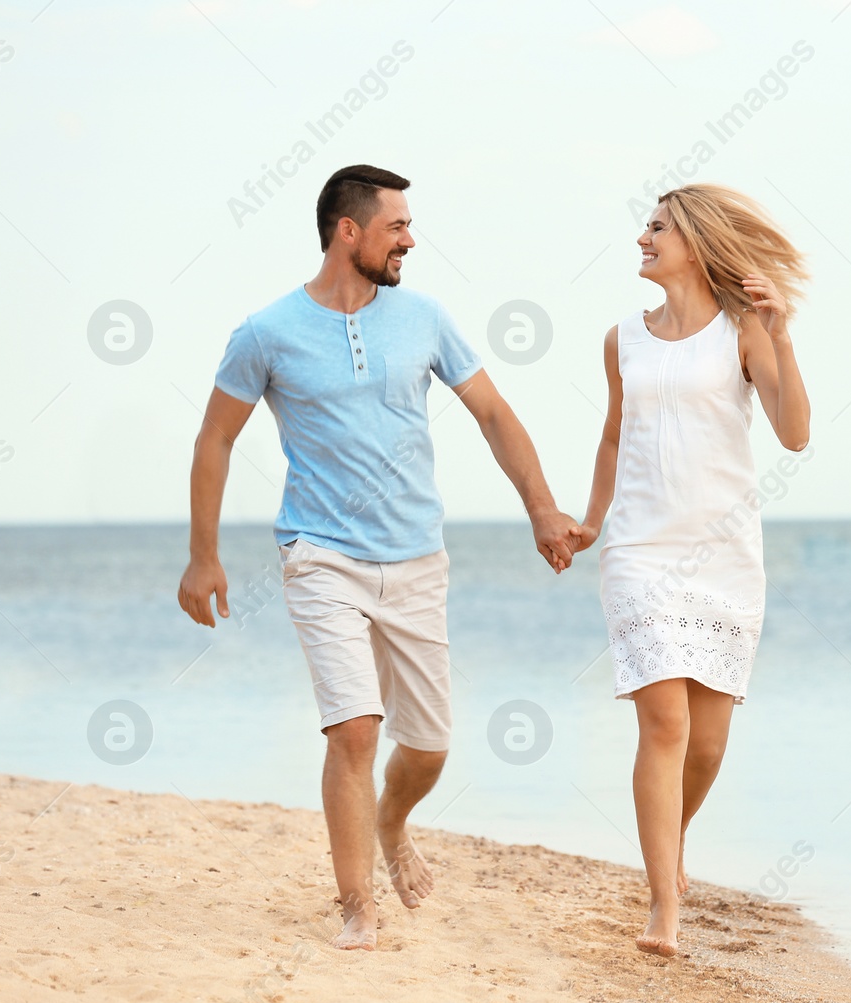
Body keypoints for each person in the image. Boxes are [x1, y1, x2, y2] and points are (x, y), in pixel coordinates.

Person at [176, 164, 577, 950]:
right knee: (355, 729)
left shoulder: (424, 316)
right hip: (322, 554)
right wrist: (203, 556)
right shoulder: (266, 331)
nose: (411, 240)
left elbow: (493, 413)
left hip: (418, 558)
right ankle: (357, 905)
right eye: (398, 226)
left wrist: (541, 509)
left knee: (427, 746)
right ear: (348, 231)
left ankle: (393, 817)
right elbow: (216, 439)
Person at [568, 184, 811, 957]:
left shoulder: (743, 331)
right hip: (639, 550)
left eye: (658, 227)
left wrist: (783, 335)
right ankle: (664, 907)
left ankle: (664, 858)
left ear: (696, 241)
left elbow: (795, 433)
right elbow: (614, 437)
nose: (643, 237)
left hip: (724, 556)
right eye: (646, 225)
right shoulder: (622, 340)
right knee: (664, 721)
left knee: (706, 745)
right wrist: (590, 520)